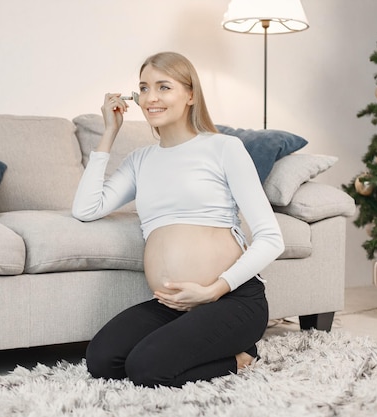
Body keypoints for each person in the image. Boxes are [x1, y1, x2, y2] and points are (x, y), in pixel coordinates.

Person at [71, 51, 284, 388]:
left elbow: (272, 238)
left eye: (163, 87)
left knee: (146, 368)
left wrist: (213, 290)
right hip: (172, 305)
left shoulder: (224, 148)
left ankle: (240, 356)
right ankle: (204, 346)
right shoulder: (140, 160)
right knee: (102, 359)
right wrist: (109, 132)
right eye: (144, 88)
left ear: (190, 95)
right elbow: (85, 208)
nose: (151, 98)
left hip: (231, 300)